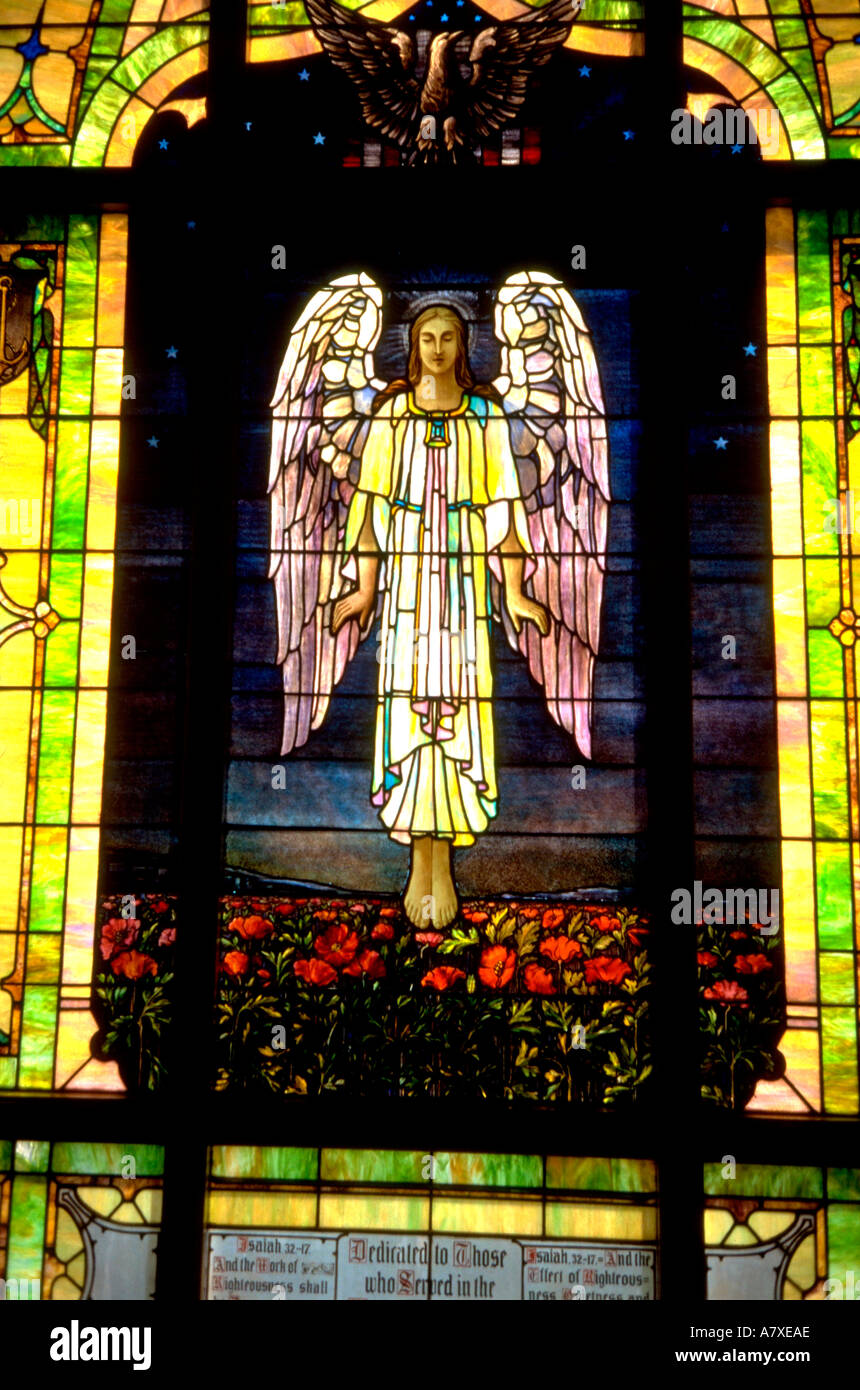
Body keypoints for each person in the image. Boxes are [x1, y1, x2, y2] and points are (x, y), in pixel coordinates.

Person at [332, 305, 549, 928]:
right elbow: (371, 512)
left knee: (456, 724)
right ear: (412, 345)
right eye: (425, 338)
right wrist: (367, 589)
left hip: (459, 589)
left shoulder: (485, 418)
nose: (435, 348)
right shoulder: (390, 417)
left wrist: (512, 591)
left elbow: (505, 511)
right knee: (409, 716)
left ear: (463, 345)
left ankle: (443, 870)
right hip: (405, 593)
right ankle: (416, 871)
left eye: (446, 338)